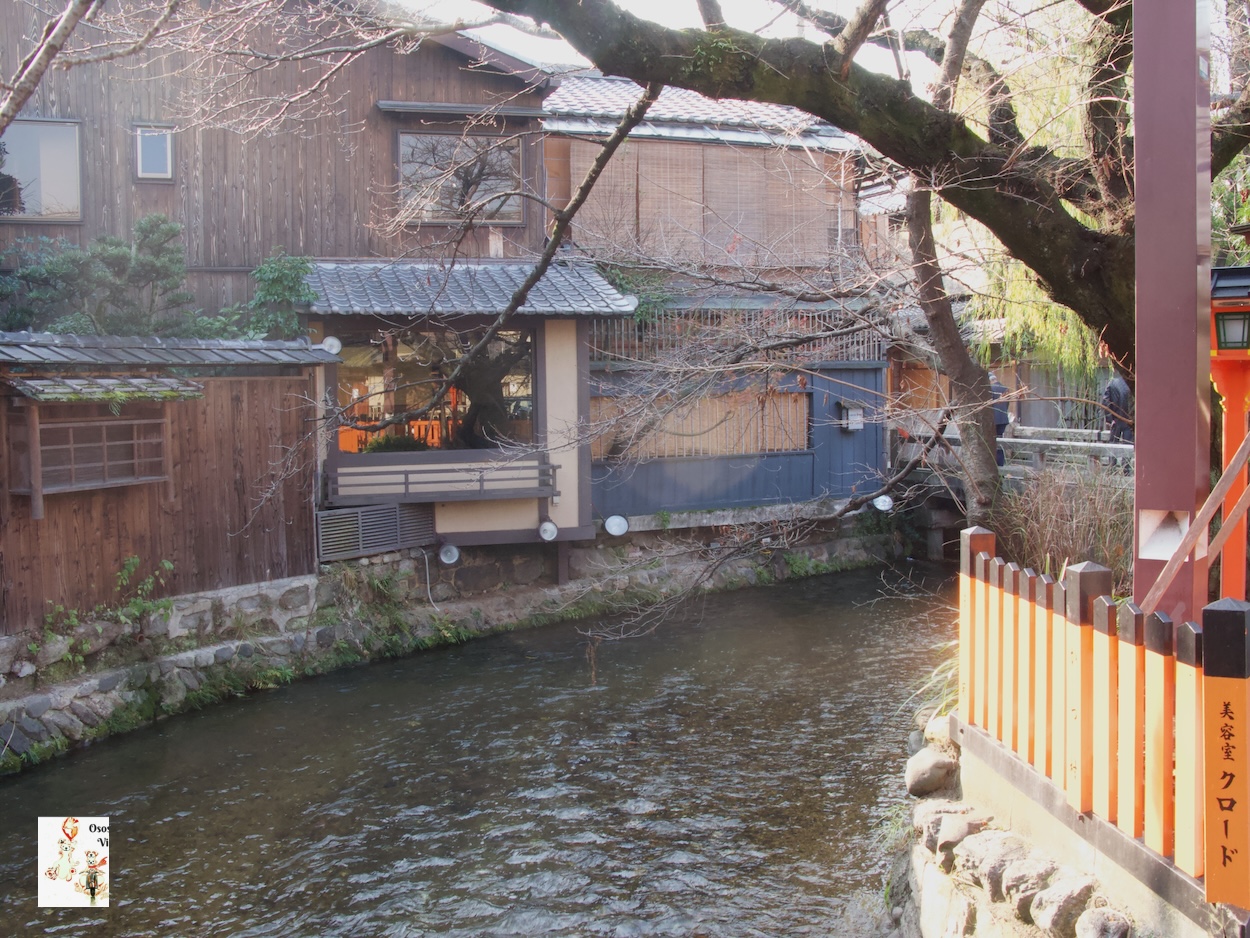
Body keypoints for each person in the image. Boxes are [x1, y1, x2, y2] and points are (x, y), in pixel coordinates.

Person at [1102, 372, 1134, 444]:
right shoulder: (1132, 385)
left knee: (1113, 445)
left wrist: (1109, 420)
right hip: (1129, 421)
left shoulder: (1112, 383)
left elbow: (1106, 402)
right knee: (1128, 446)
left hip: (1115, 420)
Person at [989, 373, 1009, 466]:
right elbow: (1007, 404)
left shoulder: (990, 389)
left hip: (993, 419)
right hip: (1003, 418)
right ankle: (1000, 462)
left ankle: (993, 462)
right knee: (999, 439)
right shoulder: (1005, 389)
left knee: (991, 440)